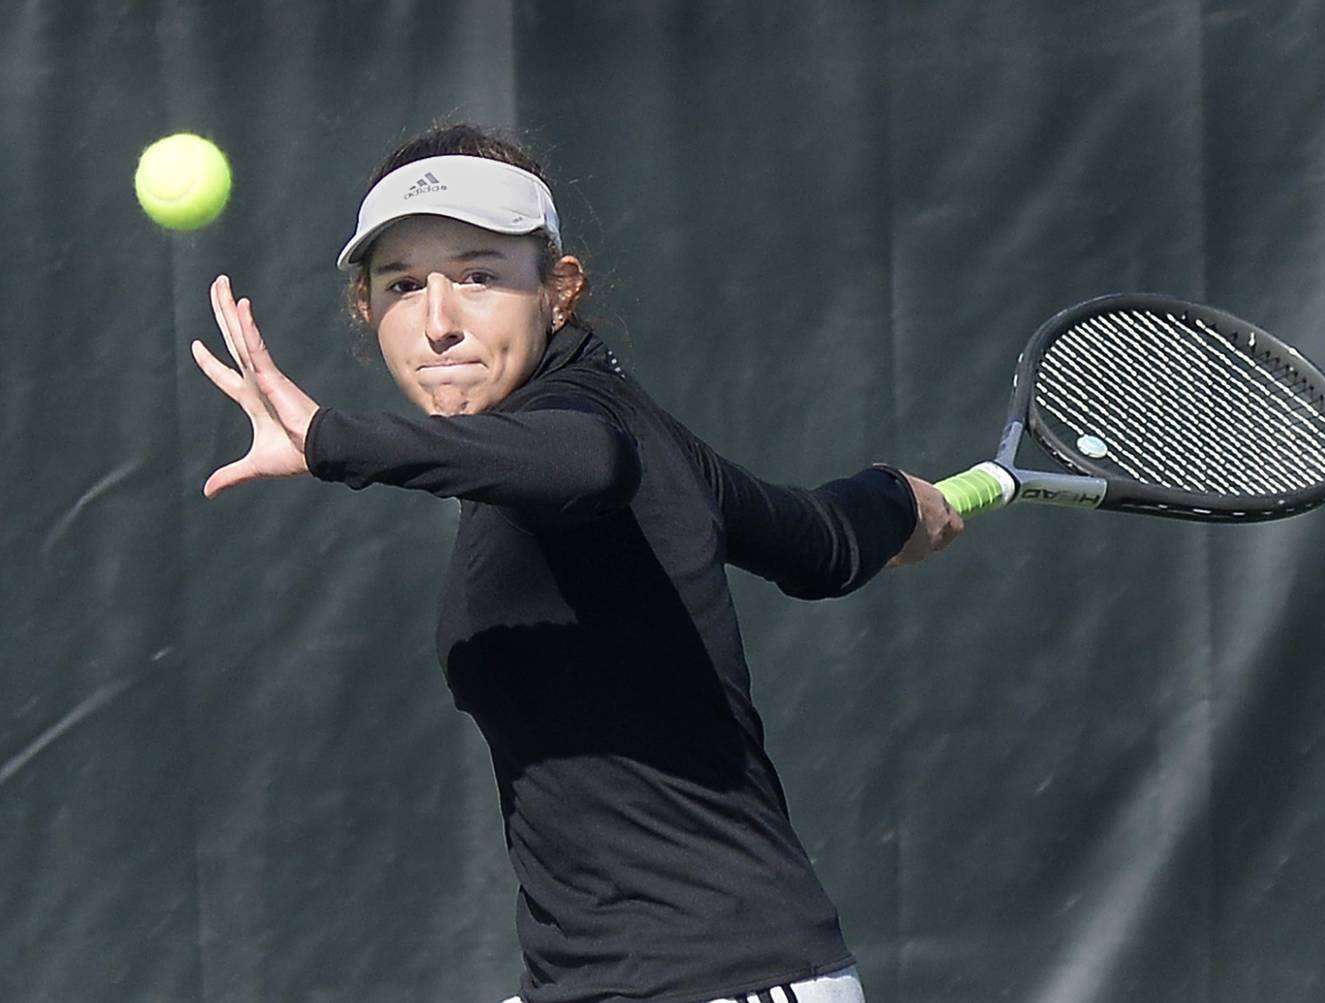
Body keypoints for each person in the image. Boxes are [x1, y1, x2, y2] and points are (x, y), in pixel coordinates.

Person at [191, 124, 963, 1003]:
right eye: (404, 285)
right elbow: (817, 540)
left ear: (558, 292)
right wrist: (898, 497)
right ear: (367, 310)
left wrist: (332, 438)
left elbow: (585, 463)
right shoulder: (615, 431)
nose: (440, 322)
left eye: (479, 276)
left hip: (717, 977)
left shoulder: (589, 422)